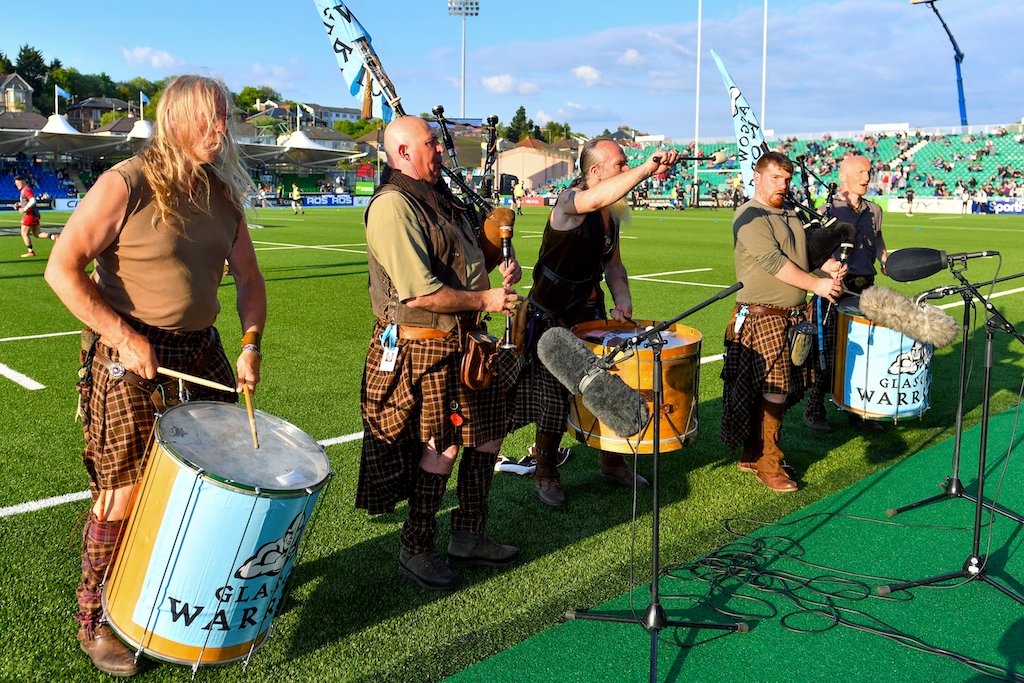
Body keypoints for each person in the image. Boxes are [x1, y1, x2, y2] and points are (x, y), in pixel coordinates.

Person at [43, 75, 267, 677]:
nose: (221, 131)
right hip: (129, 353)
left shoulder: (223, 196)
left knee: (219, 477)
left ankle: (184, 588)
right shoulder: (126, 183)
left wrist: (249, 346)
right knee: (121, 496)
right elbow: (62, 269)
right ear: (176, 120)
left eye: (225, 119)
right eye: (209, 119)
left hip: (202, 350)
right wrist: (123, 336)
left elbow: (249, 281)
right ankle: (94, 617)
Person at [356, 115, 522, 591]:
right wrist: (487, 300)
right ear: (403, 152)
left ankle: (469, 534)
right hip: (423, 347)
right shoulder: (393, 205)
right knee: (441, 447)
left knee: (488, 435)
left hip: (467, 344)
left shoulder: (438, 199)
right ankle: (417, 546)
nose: (441, 151)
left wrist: (494, 270)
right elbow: (419, 294)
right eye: (432, 144)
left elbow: (465, 271)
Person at [501, 139, 681, 507]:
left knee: (607, 385)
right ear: (595, 172)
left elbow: (612, 265)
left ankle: (611, 461)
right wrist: (648, 169)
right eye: (620, 164)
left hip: (588, 312)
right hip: (551, 316)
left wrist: (623, 298)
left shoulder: (609, 215)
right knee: (552, 396)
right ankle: (546, 471)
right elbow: (593, 200)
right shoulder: (570, 201)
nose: (626, 167)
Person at [721, 151, 845, 492]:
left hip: (792, 317)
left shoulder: (790, 213)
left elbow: (799, 260)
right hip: (761, 316)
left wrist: (825, 270)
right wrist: (817, 284)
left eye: (787, 179)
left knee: (783, 390)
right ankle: (769, 462)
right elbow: (774, 262)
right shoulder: (749, 215)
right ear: (757, 178)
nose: (783, 185)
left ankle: (753, 452)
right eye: (776, 178)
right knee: (773, 390)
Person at [803, 155, 888, 434]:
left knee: (865, 352)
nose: (866, 177)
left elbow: (877, 236)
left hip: (867, 287)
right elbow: (811, 248)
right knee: (825, 350)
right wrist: (827, 269)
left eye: (868, 171)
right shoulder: (827, 208)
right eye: (860, 172)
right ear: (844, 177)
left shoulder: (875, 210)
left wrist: (884, 255)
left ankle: (858, 411)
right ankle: (814, 409)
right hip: (834, 287)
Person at [15, 175, 52, 257]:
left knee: (24, 233)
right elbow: (27, 201)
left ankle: (30, 251)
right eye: (16, 184)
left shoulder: (26, 190)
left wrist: (24, 209)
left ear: (23, 182)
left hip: (29, 215)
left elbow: (33, 200)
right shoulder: (24, 190)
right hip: (34, 215)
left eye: (18, 183)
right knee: (37, 234)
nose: (17, 185)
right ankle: (54, 237)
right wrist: (19, 204)